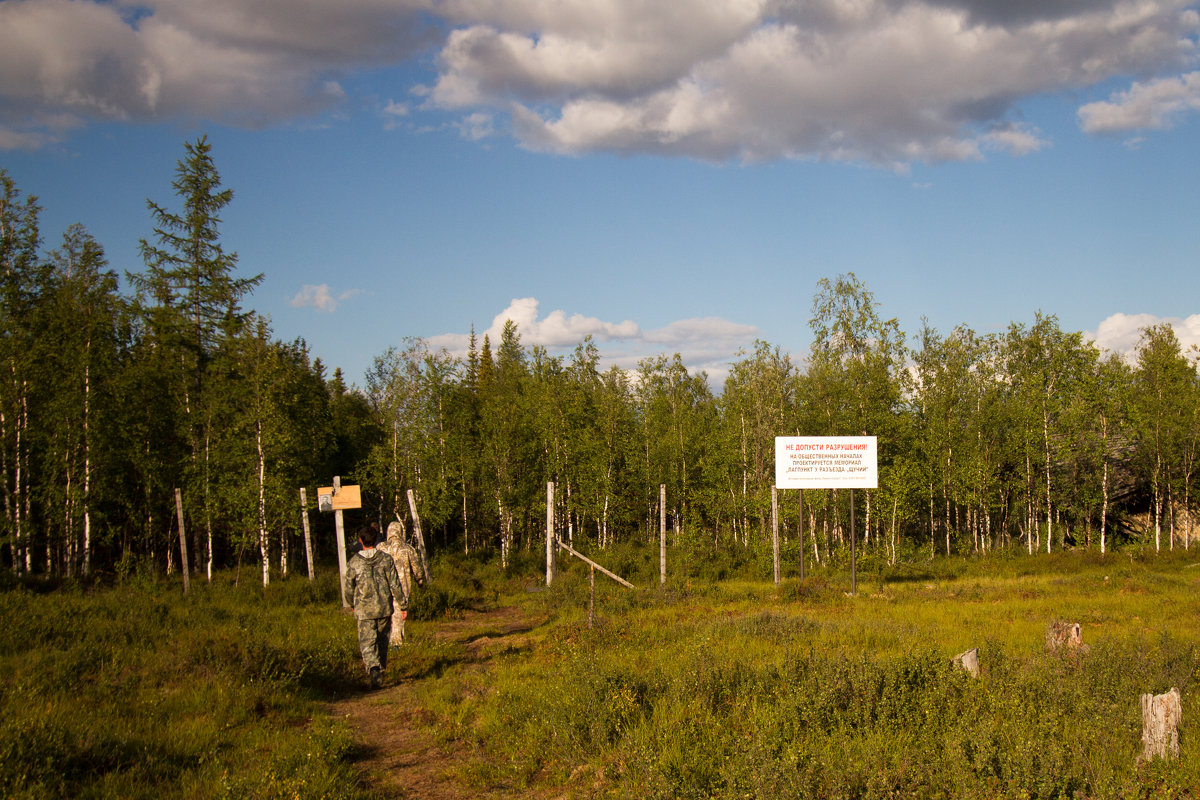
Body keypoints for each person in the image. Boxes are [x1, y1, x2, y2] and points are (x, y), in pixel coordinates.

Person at [343, 524, 407, 688]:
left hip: (364, 609)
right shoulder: (386, 560)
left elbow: (349, 587)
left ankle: (373, 667)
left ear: (360, 541)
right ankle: (381, 669)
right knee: (382, 640)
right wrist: (403, 605)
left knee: (367, 642)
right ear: (377, 539)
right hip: (384, 607)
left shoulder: (354, 562)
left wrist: (351, 603)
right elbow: (395, 584)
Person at [377, 521, 426, 646]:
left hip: (382, 587)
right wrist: (420, 580)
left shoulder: (380, 548)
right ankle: (396, 644)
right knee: (399, 615)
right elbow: (417, 568)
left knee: (384, 615)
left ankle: (384, 642)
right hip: (402, 587)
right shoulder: (407, 548)